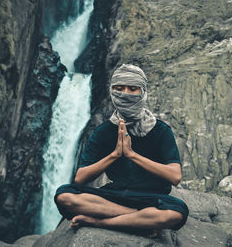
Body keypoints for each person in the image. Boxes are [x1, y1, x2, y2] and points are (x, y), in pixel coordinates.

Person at [54, 64, 188, 234]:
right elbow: (80, 178)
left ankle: (99, 222)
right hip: (113, 195)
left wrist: (132, 155)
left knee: (177, 212)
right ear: (112, 91)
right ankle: (140, 220)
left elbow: (175, 176)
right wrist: (115, 155)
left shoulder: (160, 130)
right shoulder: (103, 132)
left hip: (151, 197)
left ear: (143, 92)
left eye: (132, 89)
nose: (125, 93)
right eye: (119, 88)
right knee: (64, 195)